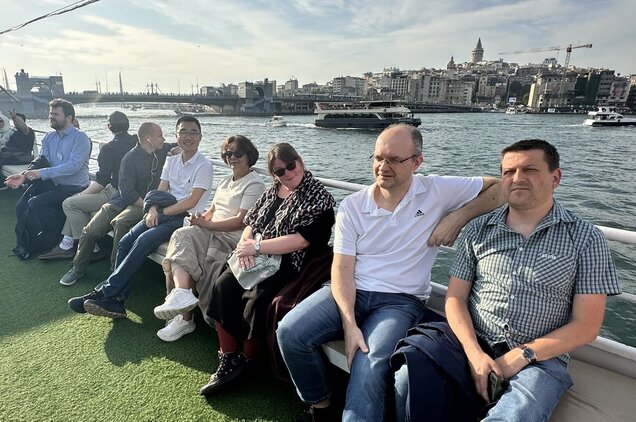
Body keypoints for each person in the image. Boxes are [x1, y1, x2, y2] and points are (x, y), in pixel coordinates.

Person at [276, 123, 502, 422]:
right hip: (350, 290)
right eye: (378, 158)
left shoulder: (436, 190)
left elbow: (500, 187)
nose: (383, 167)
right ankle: (321, 404)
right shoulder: (353, 206)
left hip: (399, 300)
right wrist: (349, 324)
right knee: (289, 332)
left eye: (395, 159)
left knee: (369, 363)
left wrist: (457, 217)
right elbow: (342, 268)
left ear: (416, 162)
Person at [392, 139, 621, 422]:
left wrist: (522, 355)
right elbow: (455, 299)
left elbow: (586, 326)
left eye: (530, 170)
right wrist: (475, 354)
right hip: (473, 342)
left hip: (540, 358)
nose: (517, 179)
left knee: (514, 416)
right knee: (407, 379)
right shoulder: (478, 230)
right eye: (508, 172)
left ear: (555, 178)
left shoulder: (586, 239)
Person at [199, 143, 336, 396]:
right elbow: (251, 221)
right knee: (223, 285)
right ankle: (228, 357)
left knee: (258, 298)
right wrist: (244, 247)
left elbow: (303, 239)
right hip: (256, 254)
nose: (287, 174)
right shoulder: (274, 191)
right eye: (279, 171)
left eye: (290, 166)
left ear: (300, 161)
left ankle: (248, 360)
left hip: (290, 262)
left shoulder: (319, 197)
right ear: (273, 175)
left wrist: (257, 247)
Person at [67, 116, 213, 318]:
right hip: (162, 212)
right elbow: (160, 191)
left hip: (184, 219)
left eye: (193, 132)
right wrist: (152, 209)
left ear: (200, 137)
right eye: (183, 132)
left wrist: (161, 212)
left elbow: (191, 201)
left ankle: (107, 293)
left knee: (143, 240)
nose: (188, 137)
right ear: (177, 136)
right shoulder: (171, 160)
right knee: (126, 240)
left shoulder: (204, 165)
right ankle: (116, 301)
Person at [153, 134, 265, 342]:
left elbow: (241, 221)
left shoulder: (254, 184)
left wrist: (207, 225)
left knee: (185, 244)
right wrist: (199, 219)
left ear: (249, 155)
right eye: (227, 153)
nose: (232, 157)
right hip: (211, 232)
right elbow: (212, 210)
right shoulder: (225, 181)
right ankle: (182, 302)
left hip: (230, 238)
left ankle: (184, 315)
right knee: (182, 237)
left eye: (238, 153)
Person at [59, 122, 175, 286]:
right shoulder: (129, 159)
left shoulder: (161, 150)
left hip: (144, 206)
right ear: (148, 139)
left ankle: (114, 274)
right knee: (90, 231)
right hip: (128, 201)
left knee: (120, 223)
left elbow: (180, 144)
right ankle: (78, 268)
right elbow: (128, 193)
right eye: (160, 135)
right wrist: (149, 207)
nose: (163, 139)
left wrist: (180, 149)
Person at [39, 111, 137, 261]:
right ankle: (66, 243)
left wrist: (81, 194)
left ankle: (91, 248)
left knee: (70, 203)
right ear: (128, 125)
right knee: (77, 203)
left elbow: (101, 182)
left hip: (116, 193)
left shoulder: (109, 148)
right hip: (135, 191)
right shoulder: (138, 141)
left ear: (109, 126)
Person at [5, 99, 91, 260]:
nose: (51, 116)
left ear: (69, 118)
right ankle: (29, 244)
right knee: (21, 205)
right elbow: (41, 160)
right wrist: (24, 175)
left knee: (36, 203)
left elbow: (74, 166)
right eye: (50, 113)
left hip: (75, 187)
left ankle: (58, 240)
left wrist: (42, 173)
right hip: (54, 183)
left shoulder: (80, 138)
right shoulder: (49, 137)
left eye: (56, 114)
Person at [0, 111, 36, 176]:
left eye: (18, 120)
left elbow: (25, 128)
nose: (16, 122)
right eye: (14, 121)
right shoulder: (14, 133)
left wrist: (15, 117)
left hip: (23, 157)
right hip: (11, 155)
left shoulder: (27, 132)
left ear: (23, 122)